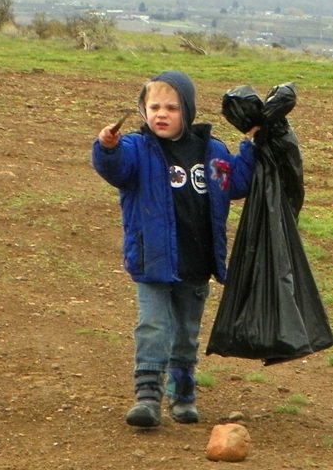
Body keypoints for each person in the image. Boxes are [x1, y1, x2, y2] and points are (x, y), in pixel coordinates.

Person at [91, 71, 257, 428]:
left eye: (171, 107)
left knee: (185, 331)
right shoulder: (136, 149)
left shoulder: (211, 151)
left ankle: (183, 396)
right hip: (153, 260)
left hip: (197, 262)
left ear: (189, 110)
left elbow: (237, 182)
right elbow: (115, 169)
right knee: (153, 326)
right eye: (153, 107)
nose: (160, 114)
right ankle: (147, 398)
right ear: (142, 110)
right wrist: (107, 148)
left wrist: (253, 145)